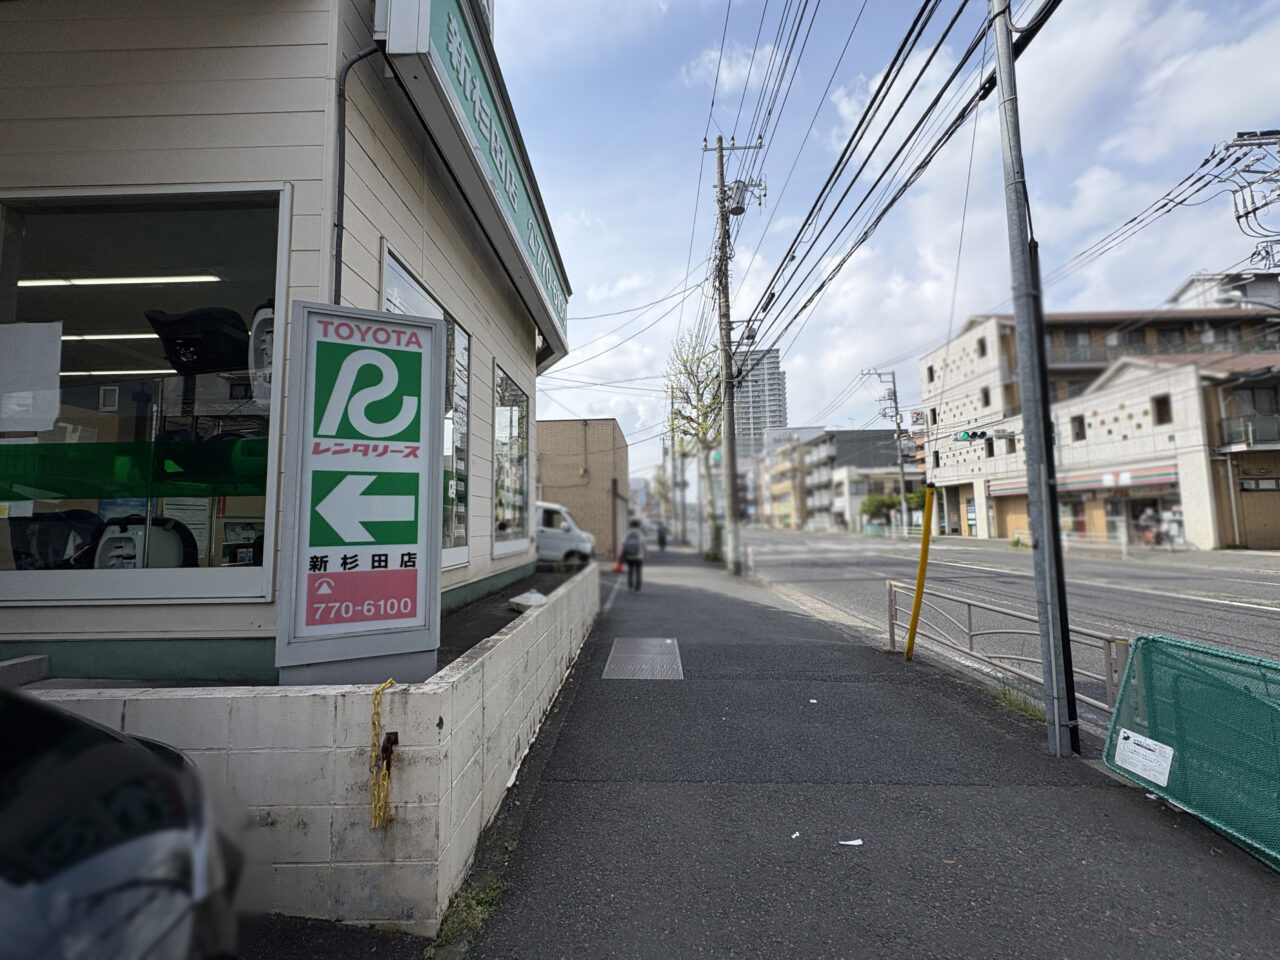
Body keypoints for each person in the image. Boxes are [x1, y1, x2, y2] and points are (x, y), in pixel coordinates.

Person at [621, 518, 646, 592]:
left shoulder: (627, 533)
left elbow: (623, 543)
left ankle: (630, 587)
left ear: (630, 525)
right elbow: (644, 545)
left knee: (630, 571)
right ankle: (637, 588)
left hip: (629, 555)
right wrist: (645, 554)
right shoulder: (640, 534)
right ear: (638, 525)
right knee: (638, 571)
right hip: (639, 556)